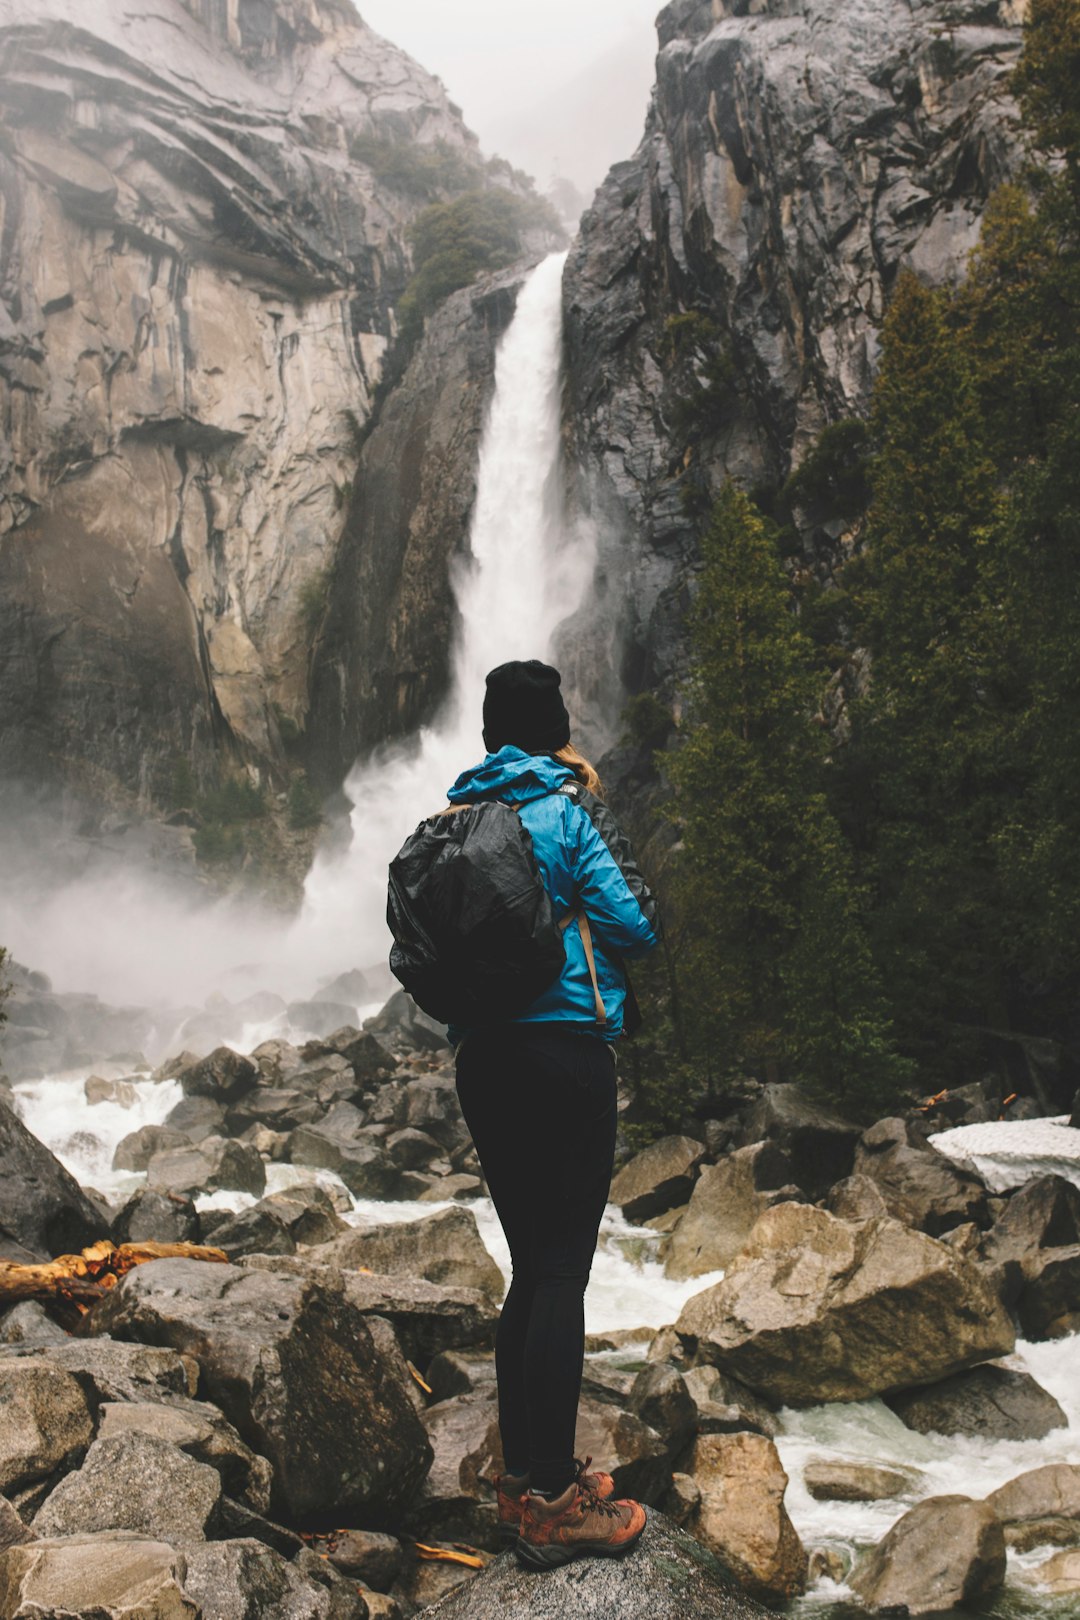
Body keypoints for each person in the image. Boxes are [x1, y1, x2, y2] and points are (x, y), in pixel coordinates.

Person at [446, 658, 660, 1569]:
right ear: (554, 727)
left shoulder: (454, 821)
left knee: (528, 1269)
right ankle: (552, 1505)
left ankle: (522, 1481)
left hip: (483, 1065)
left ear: (492, 732)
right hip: (565, 1053)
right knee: (564, 1272)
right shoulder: (566, 813)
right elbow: (637, 928)